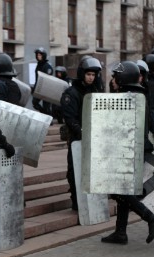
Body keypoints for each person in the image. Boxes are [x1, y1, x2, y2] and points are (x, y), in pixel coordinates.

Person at [100, 61, 154, 245]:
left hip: (127, 151)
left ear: (122, 78)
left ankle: (151, 218)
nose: (112, 80)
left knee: (119, 190)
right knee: (125, 190)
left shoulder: (127, 97)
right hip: (135, 149)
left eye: (114, 77)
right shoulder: (138, 95)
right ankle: (120, 233)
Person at [59, 56, 102, 211]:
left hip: (94, 138)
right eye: (88, 74)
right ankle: (76, 202)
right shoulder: (72, 93)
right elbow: (70, 117)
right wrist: (82, 132)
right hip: (77, 139)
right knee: (74, 170)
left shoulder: (96, 91)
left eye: (93, 75)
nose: (91, 77)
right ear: (82, 74)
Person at [31, 47, 54, 115]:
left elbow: (48, 77)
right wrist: (34, 88)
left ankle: (49, 119)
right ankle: (44, 114)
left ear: (43, 56)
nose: (38, 57)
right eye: (37, 55)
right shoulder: (38, 65)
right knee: (34, 102)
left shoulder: (47, 66)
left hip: (46, 89)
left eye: (40, 55)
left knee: (46, 105)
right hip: (39, 88)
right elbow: (37, 78)